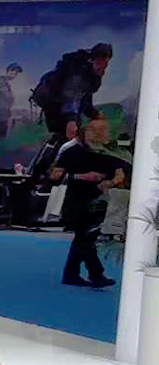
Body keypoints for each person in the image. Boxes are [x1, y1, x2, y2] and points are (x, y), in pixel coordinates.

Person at [51, 113, 128, 288]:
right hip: (76, 200)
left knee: (84, 238)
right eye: (94, 129)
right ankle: (96, 274)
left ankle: (71, 274)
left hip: (99, 200)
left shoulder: (111, 154)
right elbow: (54, 176)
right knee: (85, 238)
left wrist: (109, 182)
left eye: (103, 129)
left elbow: (120, 174)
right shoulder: (70, 152)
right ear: (85, 132)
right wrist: (82, 176)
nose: (99, 133)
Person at [31, 42, 112, 132]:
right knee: (67, 130)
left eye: (106, 63)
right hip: (52, 100)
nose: (103, 66)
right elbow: (72, 93)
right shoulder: (77, 68)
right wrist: (71, 119)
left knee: (73, 129)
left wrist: (93, 113)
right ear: (91, 59)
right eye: (100, 62)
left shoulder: (92, 75)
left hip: (62, 101)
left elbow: (85, 98)